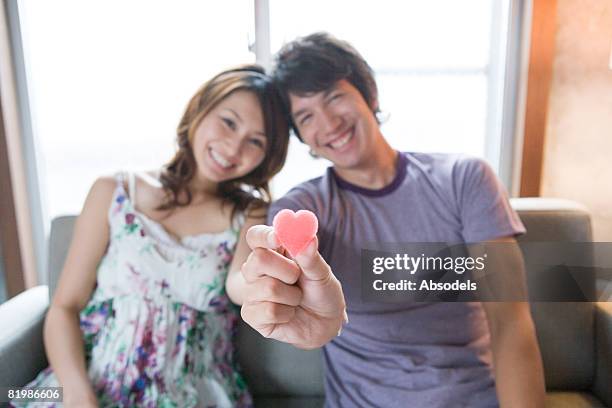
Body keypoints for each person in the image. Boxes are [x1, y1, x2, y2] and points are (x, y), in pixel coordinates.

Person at [236, 33, 546, 407]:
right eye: (306, 117)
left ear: (369, 95)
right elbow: (282, 293)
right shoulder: (305, 208)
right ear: (303, 138)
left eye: (334, 97)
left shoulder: (465, 179)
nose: (328, 122)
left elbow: (510, 322)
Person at [11, 65, 289, 408]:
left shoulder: (252, 214)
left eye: (255, 141)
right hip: (89, 384)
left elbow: (240, 283)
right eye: (228, 122)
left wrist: (270, 283)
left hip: (193, 394)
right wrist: (77, 393)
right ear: (200, 109)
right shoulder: (114, 191)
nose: (233, 147)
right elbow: (64, 307)